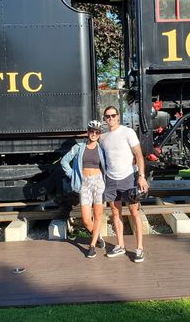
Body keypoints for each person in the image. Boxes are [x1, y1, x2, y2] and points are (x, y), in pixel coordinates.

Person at [100, 106, 149, 263]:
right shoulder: (103, 137)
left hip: (128, 178)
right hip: (111, 180)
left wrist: (141, 177)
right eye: (107, 116)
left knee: (134, 212)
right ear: (104, 118)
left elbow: (139, 156)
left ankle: (139, 248)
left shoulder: (128, 132)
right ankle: (120, 245)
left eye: (113, 115)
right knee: (115, 213)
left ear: (118, 116)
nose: (111, 118)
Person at [61, 120, 106, 259]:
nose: (94, 133)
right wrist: (73, 175)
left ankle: (92, 246)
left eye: (97, 132)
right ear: (88, 132)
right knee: (86, 220)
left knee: (98, 216)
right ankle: (97, 236)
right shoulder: (79, 147)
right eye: (91, 131)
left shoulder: (102, 149)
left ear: (99, 134)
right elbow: (64, 161)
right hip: (84, 184)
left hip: (98, 183)